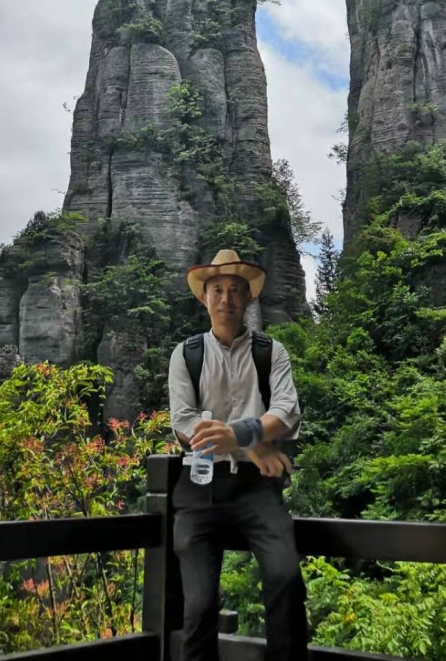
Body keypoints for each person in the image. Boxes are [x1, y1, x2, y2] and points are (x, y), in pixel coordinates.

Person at [168, 249, 308, 661]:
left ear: (248, 297)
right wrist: (252, 441)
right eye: (217, 290)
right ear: (204, 298)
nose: (226, 298)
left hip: (256, 487)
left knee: (285, 579)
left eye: (235, 290)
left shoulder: (271, 352)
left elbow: (287, 412)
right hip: (200, 488)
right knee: (198, 606)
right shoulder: (187, 354)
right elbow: (183, 423)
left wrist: (238, 434)